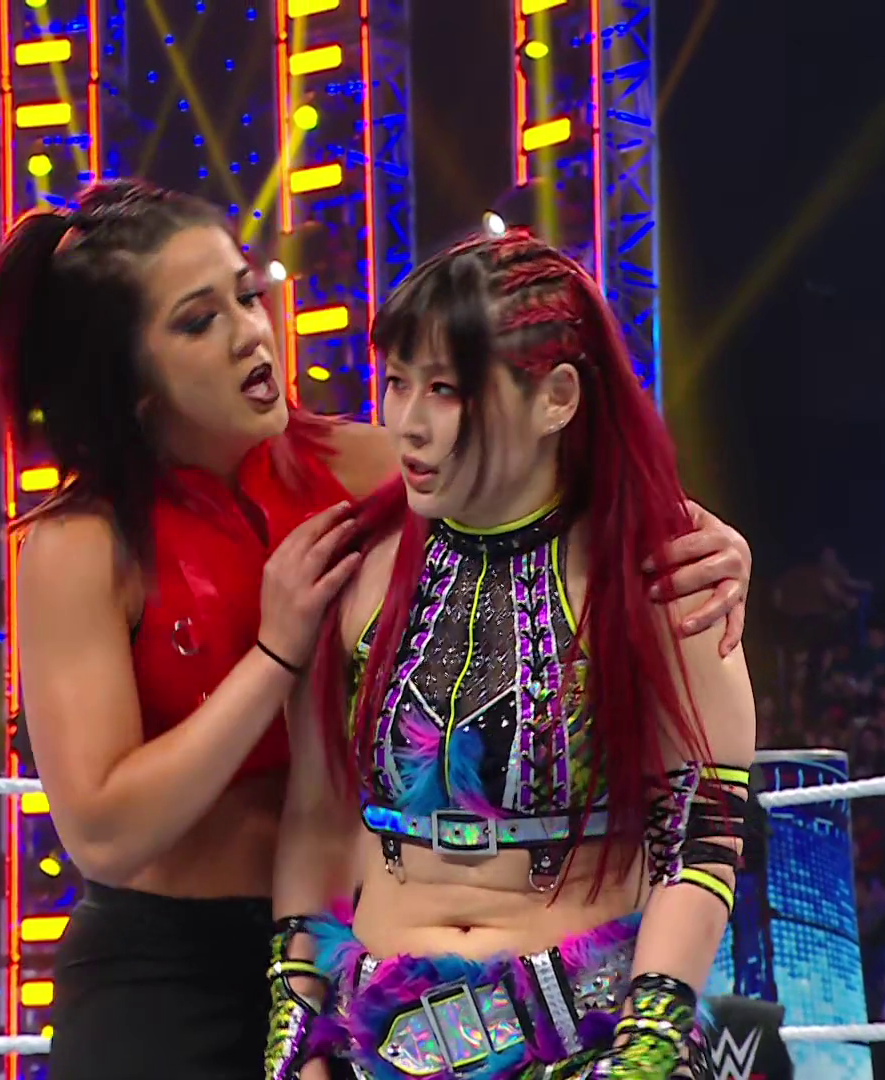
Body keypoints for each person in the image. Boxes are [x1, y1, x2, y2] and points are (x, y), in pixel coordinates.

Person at [0, 181, 757, 1080]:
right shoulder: (78, 546)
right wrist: (274, 655)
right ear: (132, 380)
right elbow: (105, 832)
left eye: (246, 295)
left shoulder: (371, 465)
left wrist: (705, 543)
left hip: (376, 959)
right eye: (198, 321)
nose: (251, 332)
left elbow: (551, 479)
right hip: (172, 964)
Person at [266, 228, 759, 1080]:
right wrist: (296, 1040)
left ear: (557, 397)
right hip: (376, 1046)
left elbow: (700, 840)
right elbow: (314, 818)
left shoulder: (667, 572)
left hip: (585, 1042)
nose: (407, 422)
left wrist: (642, 1052)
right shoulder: (353, 569)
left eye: (445, 389)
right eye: (395, 383)